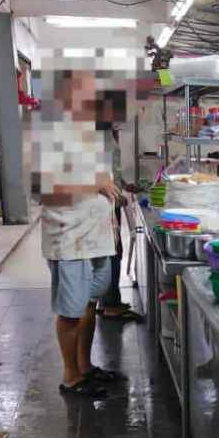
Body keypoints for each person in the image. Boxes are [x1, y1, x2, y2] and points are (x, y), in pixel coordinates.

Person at [25, 67, 126, 397]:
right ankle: (71, 376)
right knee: (71, 309)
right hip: (70, 237)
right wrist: (94, 183)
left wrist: (114, 199)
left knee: (89, 303)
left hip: (96, 235)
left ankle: (85, 366)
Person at [97, 125, 142, 321]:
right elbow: (98, 175)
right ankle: (110, 304)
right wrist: (116, 196)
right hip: (105, 205)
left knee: (114, 250)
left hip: (111, 201)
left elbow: (111, 171)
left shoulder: (109, 132)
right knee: (112, 252)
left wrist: (123, 184)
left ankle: (107, 299)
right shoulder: (98, 134)